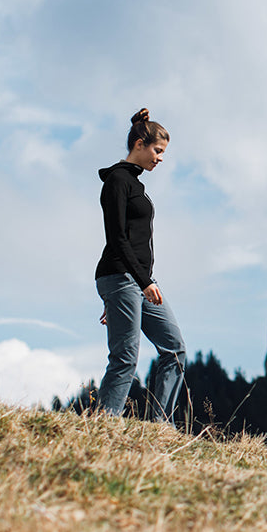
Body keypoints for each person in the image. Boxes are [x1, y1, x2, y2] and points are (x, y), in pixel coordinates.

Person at [95, 109, 186, 422]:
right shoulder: (118, 182)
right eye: (158, 151)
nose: (160, 159)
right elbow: (117, 238)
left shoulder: (135, 184)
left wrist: (140, 283)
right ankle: (105, 423)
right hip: (123, 278)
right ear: (139, 144)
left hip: (135, 281)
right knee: (125, 357)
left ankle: (160, 425)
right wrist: (138, 283)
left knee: (174, 349)